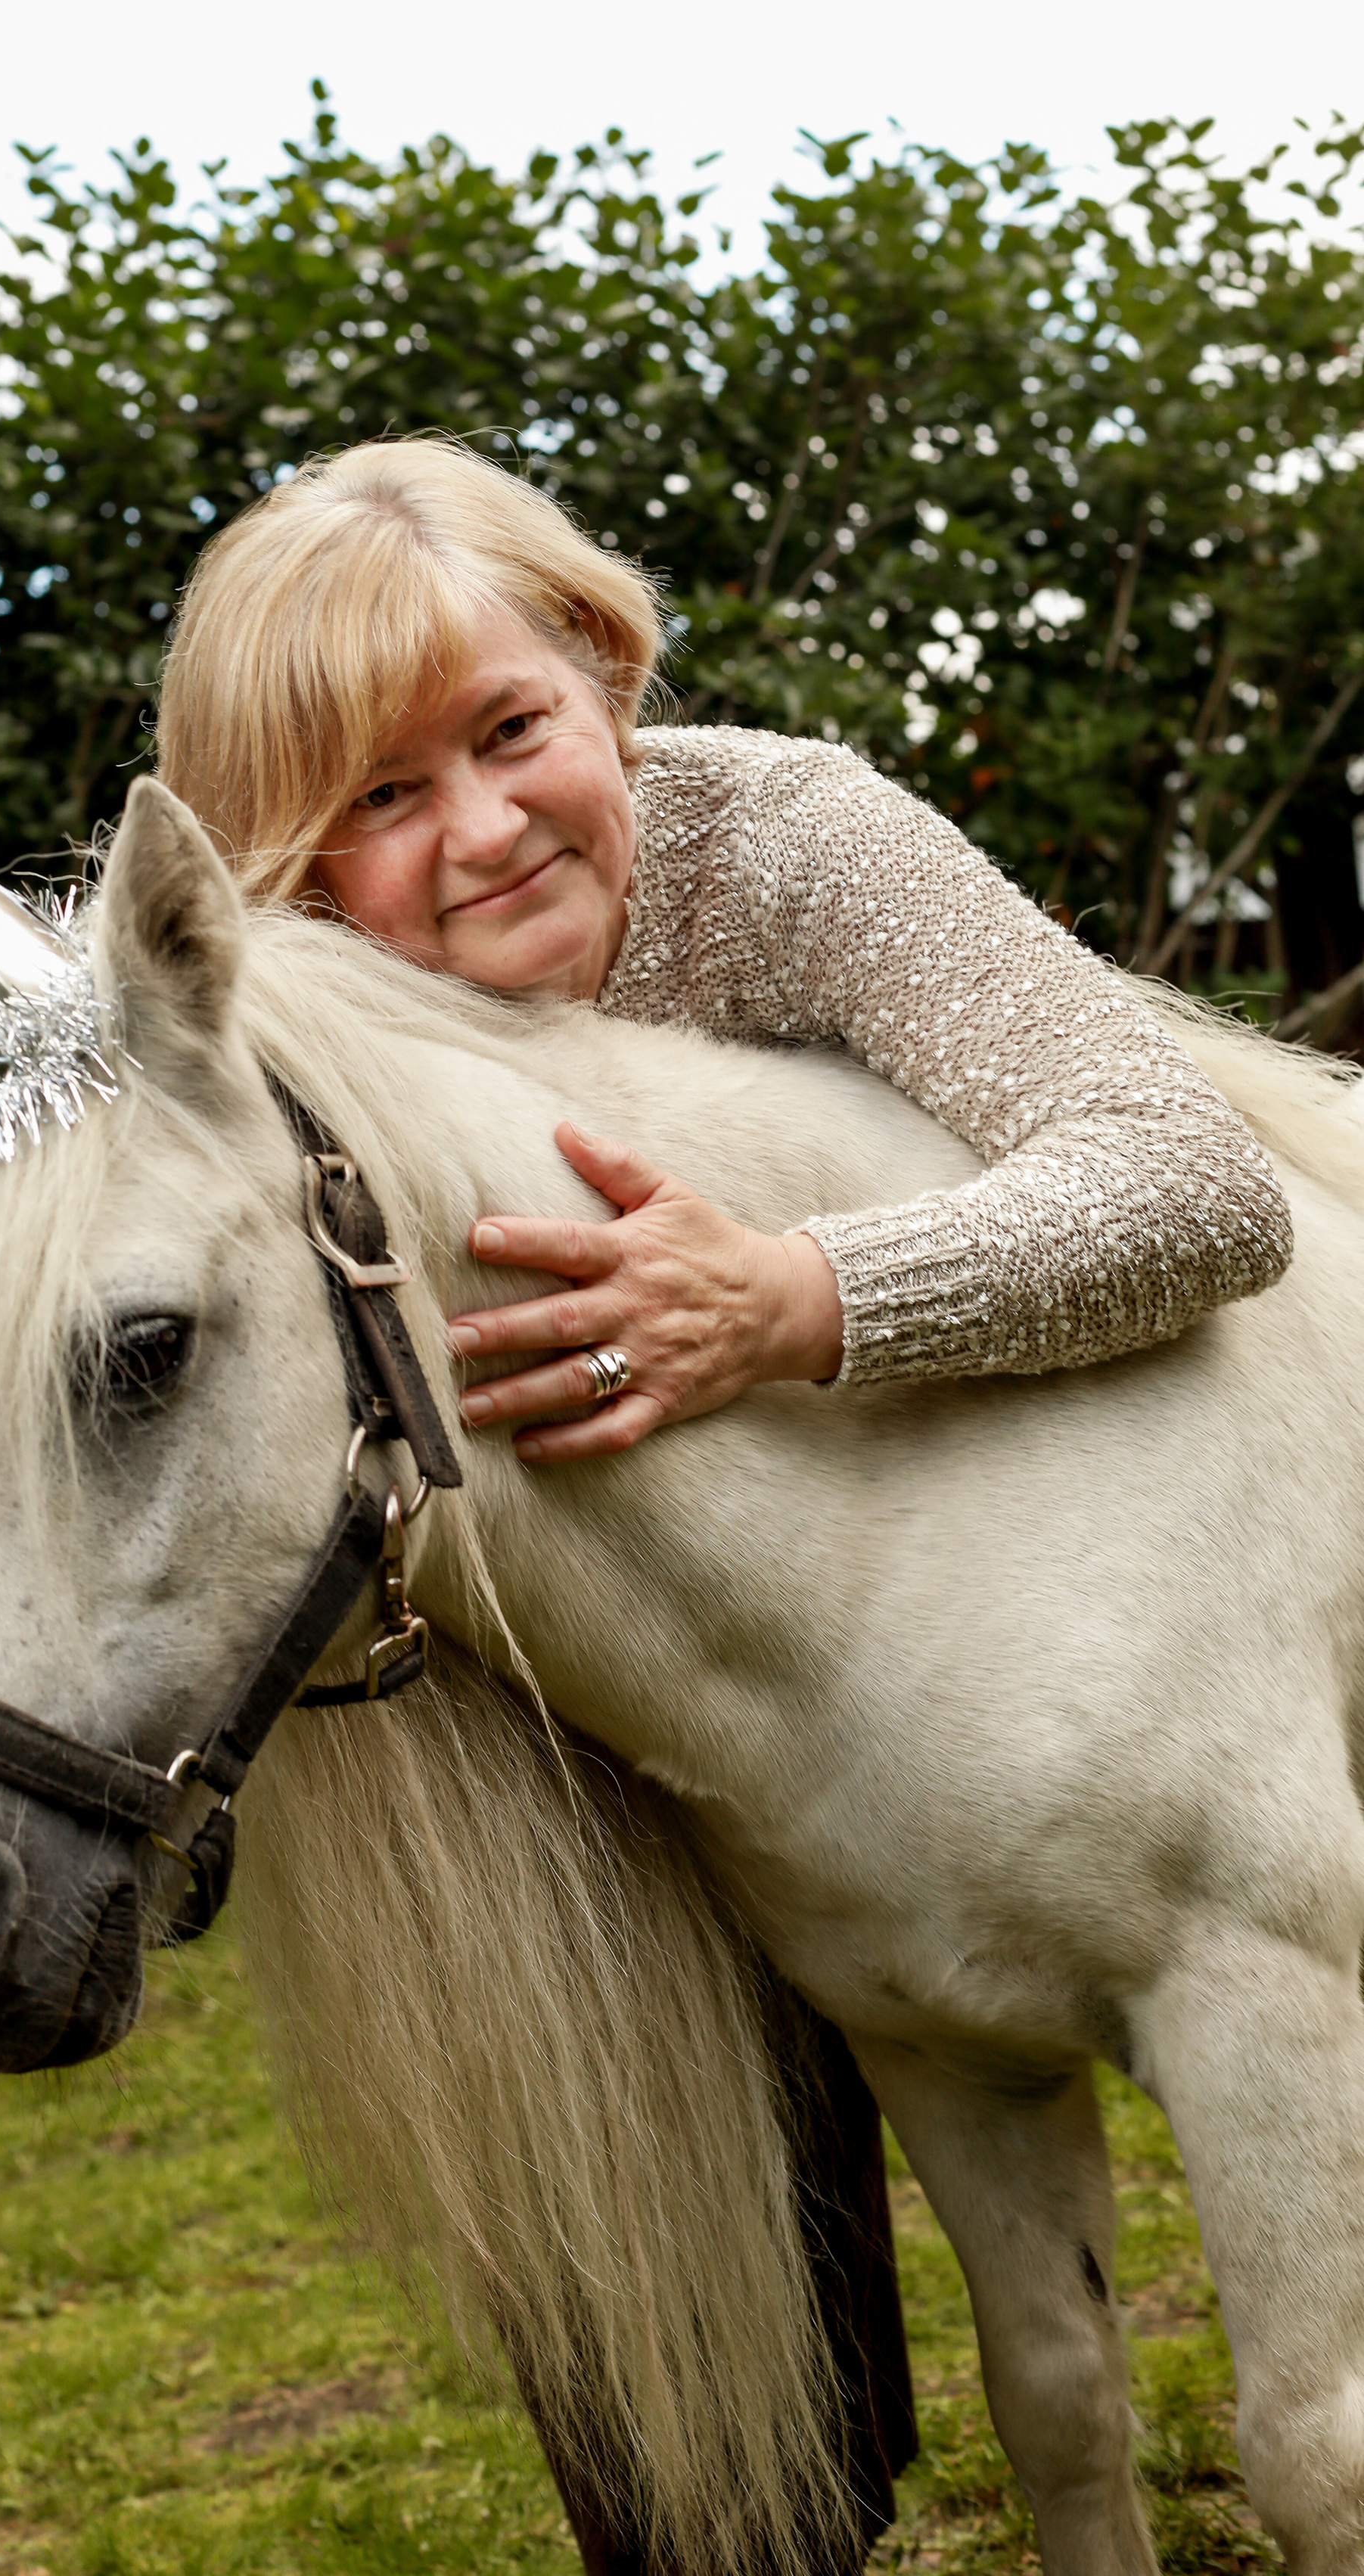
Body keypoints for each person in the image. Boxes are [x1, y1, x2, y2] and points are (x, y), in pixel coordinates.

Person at [152, 434, 1292, 2563]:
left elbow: (1194, 1180)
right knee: (692, 2424)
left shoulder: (783, 844)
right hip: (568, 1672)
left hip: (895, 1623)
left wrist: (798, 1293)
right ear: (290, 870)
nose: (480, 833)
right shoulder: (286, 1036)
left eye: (511, 732)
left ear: (604, 666)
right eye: (382, 802)